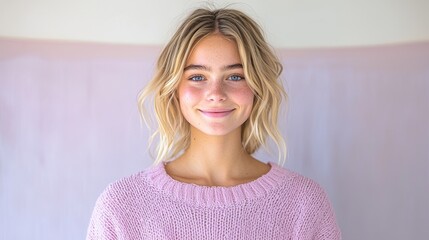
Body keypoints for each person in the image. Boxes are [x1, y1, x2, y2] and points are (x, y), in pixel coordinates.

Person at [86, 7, 341, 240]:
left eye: (235, 76)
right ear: (174, 89)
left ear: (258, 87)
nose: (216, 93)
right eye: (198, 76)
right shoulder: (121, 206)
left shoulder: (304, 204)